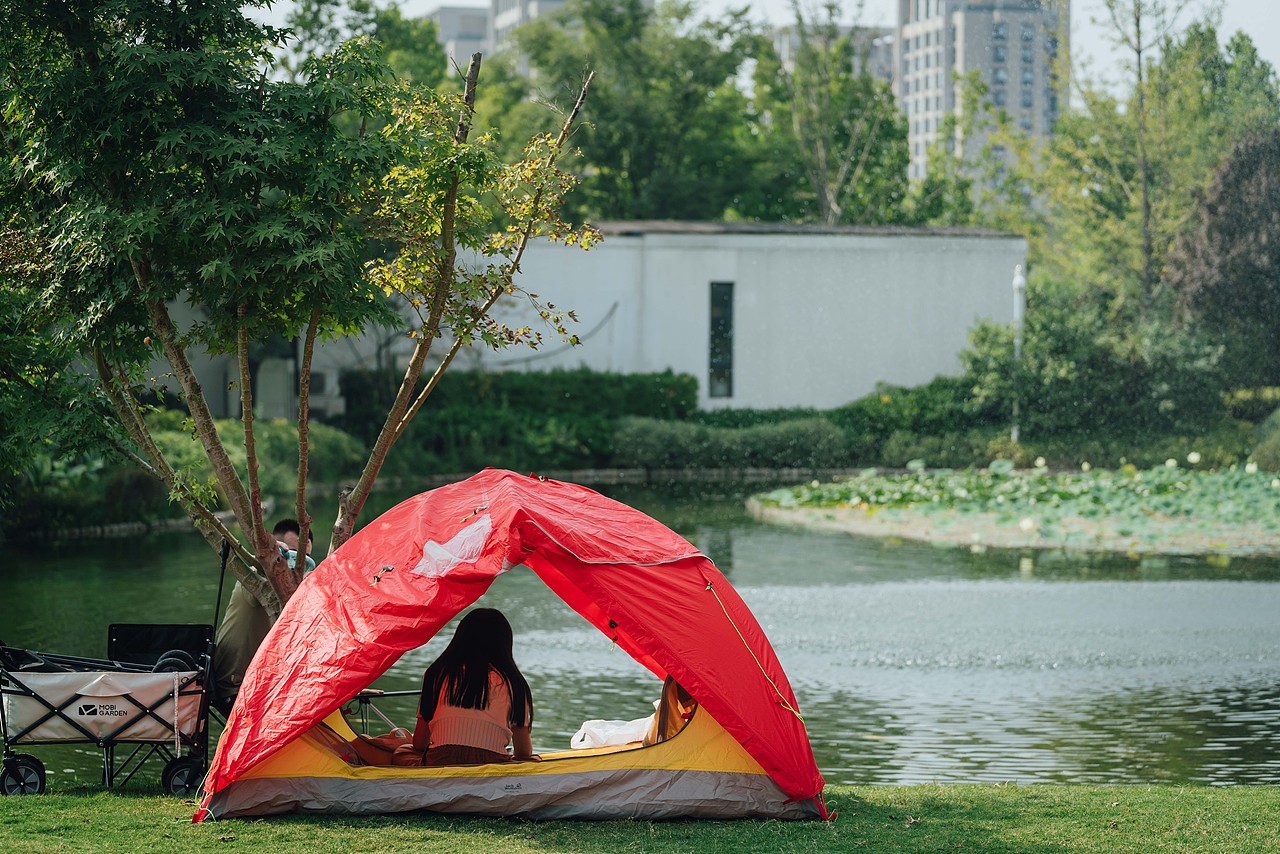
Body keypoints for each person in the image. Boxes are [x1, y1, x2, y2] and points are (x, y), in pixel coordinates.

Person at [393, 608, 536, 766]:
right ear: (504, 643)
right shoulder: (514, 682)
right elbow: (523, 752)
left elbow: (419, 743)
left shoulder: (436, 674)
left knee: (403, 751)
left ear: (460, 638)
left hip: (439, 763)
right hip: (491, 765)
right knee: (529, 760)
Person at [211, 519, 315, 715]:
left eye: (302, 560)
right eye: (288, 556)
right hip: (236, 688)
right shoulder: (256, 579)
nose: (295, 568)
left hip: (265, 687)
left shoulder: (298, 592)